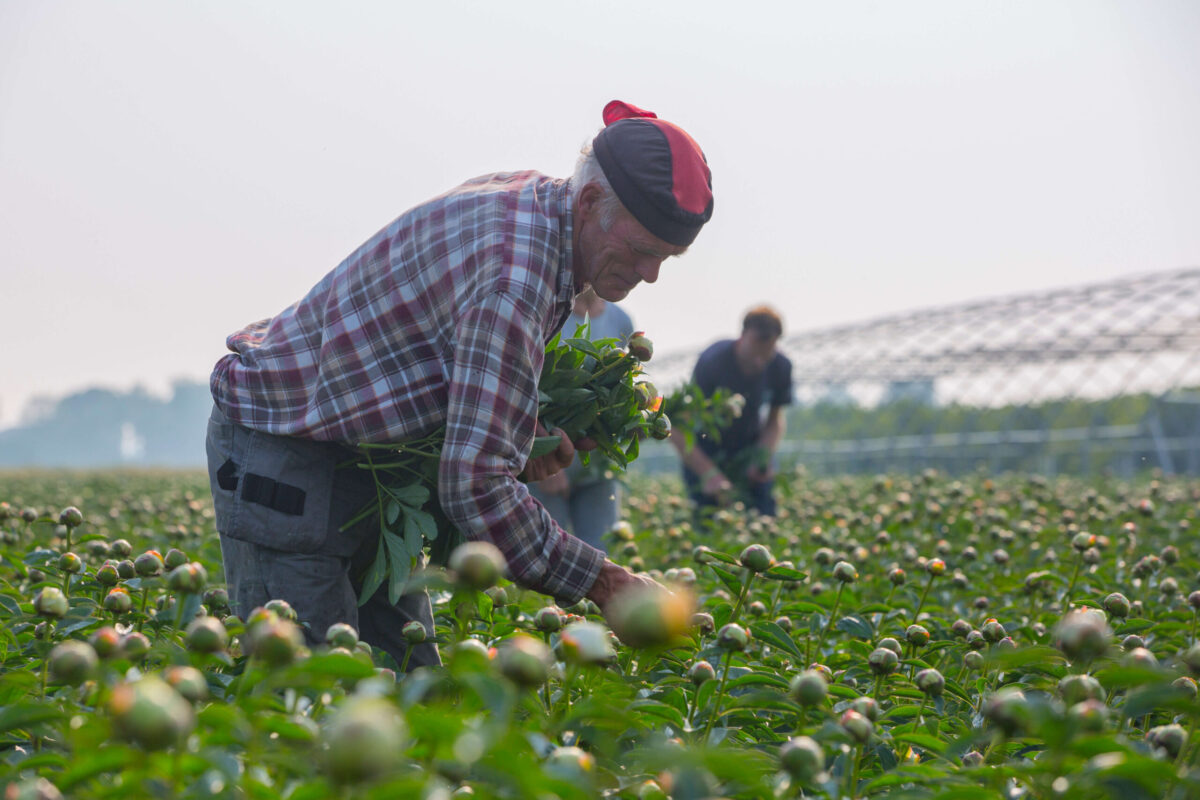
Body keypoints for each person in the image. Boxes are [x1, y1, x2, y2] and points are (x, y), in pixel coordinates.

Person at [204, 100, 713, 670]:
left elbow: (452, 366)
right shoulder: (514, 280)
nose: (651, 274)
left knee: (409, 682)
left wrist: (526, 434)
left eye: (667, 258)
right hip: (283, 451)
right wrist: (606, 582)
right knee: (310, 692)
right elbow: (474, 484)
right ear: (592, 202)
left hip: (364, 461)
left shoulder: (537, 205)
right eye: (644, 251)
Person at [529, 288, 633, 552]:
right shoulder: (549, 313)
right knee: (545, 555)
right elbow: (525, 389)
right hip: (548, 460)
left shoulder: (621, 320)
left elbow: (620, 387)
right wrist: (541, 457)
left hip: (597, 467)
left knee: (602, 553)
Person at [671, 306, 792, 517]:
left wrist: (762, 457)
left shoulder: (780, 366)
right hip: (706, 450)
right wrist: (709, 473)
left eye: (767, 353)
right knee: (708, 523)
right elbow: (680, 425)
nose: (759, 361)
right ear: (743, 336)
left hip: (748, 448)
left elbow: (774, 419)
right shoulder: (713, 362)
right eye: (755, 351)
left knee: (763, 516)